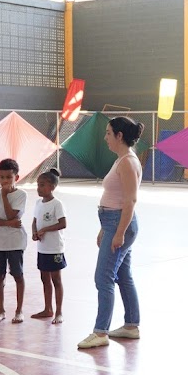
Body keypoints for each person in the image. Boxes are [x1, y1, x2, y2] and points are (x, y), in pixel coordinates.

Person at [78, 116, 145, 349]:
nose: (105, 137)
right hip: (112, 222)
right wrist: (104, 228)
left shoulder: (127, 162)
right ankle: (131, 325)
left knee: (103, 277)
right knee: (123, 276)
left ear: (119, 136)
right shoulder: (122, 160)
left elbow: (130, 200)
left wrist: (118, 233)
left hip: (119, 223)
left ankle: (100, 332)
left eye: (108, 133)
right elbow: (116, 197)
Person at [0, 158, 27, 323]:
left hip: (15, 242)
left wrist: (4, 196)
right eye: (1, 177)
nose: (4, 181)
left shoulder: (21, 195)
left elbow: (11, 215)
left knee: (17, 275)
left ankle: (19, 311)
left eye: (8, 177)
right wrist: (9, 224)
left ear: (16, 177)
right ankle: (1, 311)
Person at [31, 168, 67, 324]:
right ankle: (48, 308)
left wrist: (45, 229)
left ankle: (59, 312)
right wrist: (34, 232)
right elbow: (34, 221)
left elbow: (63, 223)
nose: (39, 188)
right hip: (42, 248)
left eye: (42, 185)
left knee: (56, 279)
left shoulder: (57, 204)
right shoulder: (38, 203)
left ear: (52, 186)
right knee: (44, 278)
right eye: (38, 185)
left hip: (54, 248)